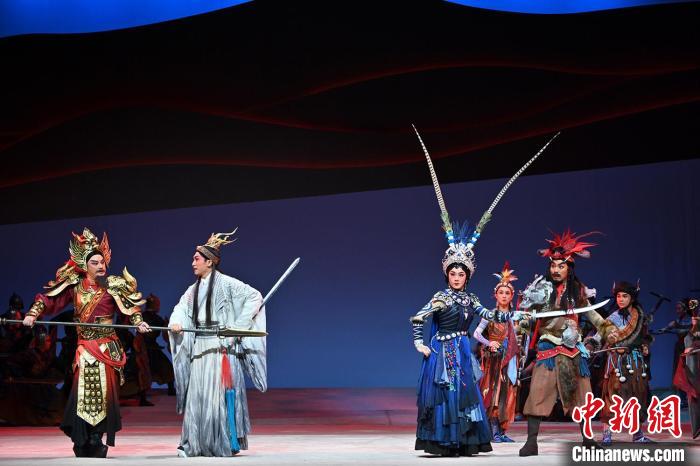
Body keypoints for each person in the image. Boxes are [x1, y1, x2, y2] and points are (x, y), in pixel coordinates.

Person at [410, 127, 543, 456]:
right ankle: (442, 442)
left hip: (461, 350)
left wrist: (513, 314)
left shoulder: (470, 299)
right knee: (444, 395)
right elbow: (418, 317)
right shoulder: (440, 297)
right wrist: (419, 343)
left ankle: (465, 441)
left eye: (461, 273)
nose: (456, 277)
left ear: (467, 276)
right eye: (452, 273)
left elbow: (489, 314)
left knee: (466, 395)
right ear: (447, 274)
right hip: (441, 350)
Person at [22, 228, 150, 457]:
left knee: (104, 395)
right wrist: (33, 314)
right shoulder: (75, 286)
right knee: (83, 393)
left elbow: (131, 309)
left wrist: (138, 322)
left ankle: (96, 437)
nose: (101, 266)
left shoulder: (113, 286)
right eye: (95, 262)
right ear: (85, 264)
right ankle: (82, 439)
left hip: (106, 348)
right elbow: (48, 299)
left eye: (102, 262)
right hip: (85, 348)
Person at [169, 230, 267, 457]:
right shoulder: (192, 290)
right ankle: (193, 443)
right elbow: (180, 309)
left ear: (209, 262)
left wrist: (237, 328)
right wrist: (176, 323)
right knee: (198, 397)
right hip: (200, 347)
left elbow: (254, 297)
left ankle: (224, 441)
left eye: (197, 259)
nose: (193, 263)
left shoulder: (227, 283)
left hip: (221, 347)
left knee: (220, 397)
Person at [519, 230, 604, 456]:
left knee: (583, 397)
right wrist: (522, 323)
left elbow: (594, 317)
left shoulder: (578, 291)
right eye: (553, 265)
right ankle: (531, 442)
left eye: (561, 266)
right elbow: (528, 318)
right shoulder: (541, 290)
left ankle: (588, 439)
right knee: (537, 394)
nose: (556, 270)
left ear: (569, 268)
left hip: (572, 350)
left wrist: (608, 330)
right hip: (547, 350)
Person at [584, 281, 653, 444]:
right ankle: (607, 433)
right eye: (618, 296)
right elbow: (598, 337)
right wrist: (589, 346)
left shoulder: (640, 317)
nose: (620, 299)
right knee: (611, 396)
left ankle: (637, 434)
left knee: (638, 396)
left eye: (625, 296)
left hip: (635, 362)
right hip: (616, 363)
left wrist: (645, 346)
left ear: (632, 298)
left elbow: (645, 338)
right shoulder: (612, 318)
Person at [473, 262, 521, 442]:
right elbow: (477, 334)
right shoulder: (490, 314)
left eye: (507, 293)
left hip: (510, 360)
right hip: (494, 360)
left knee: (508, 394)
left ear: (512, 296)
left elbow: (520, 337)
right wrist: (489, 342)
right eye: (501, 292)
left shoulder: (515, 317)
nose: (504, 295)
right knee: (494, 392)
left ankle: (502, 430)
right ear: (495, 295)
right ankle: (492, 430)